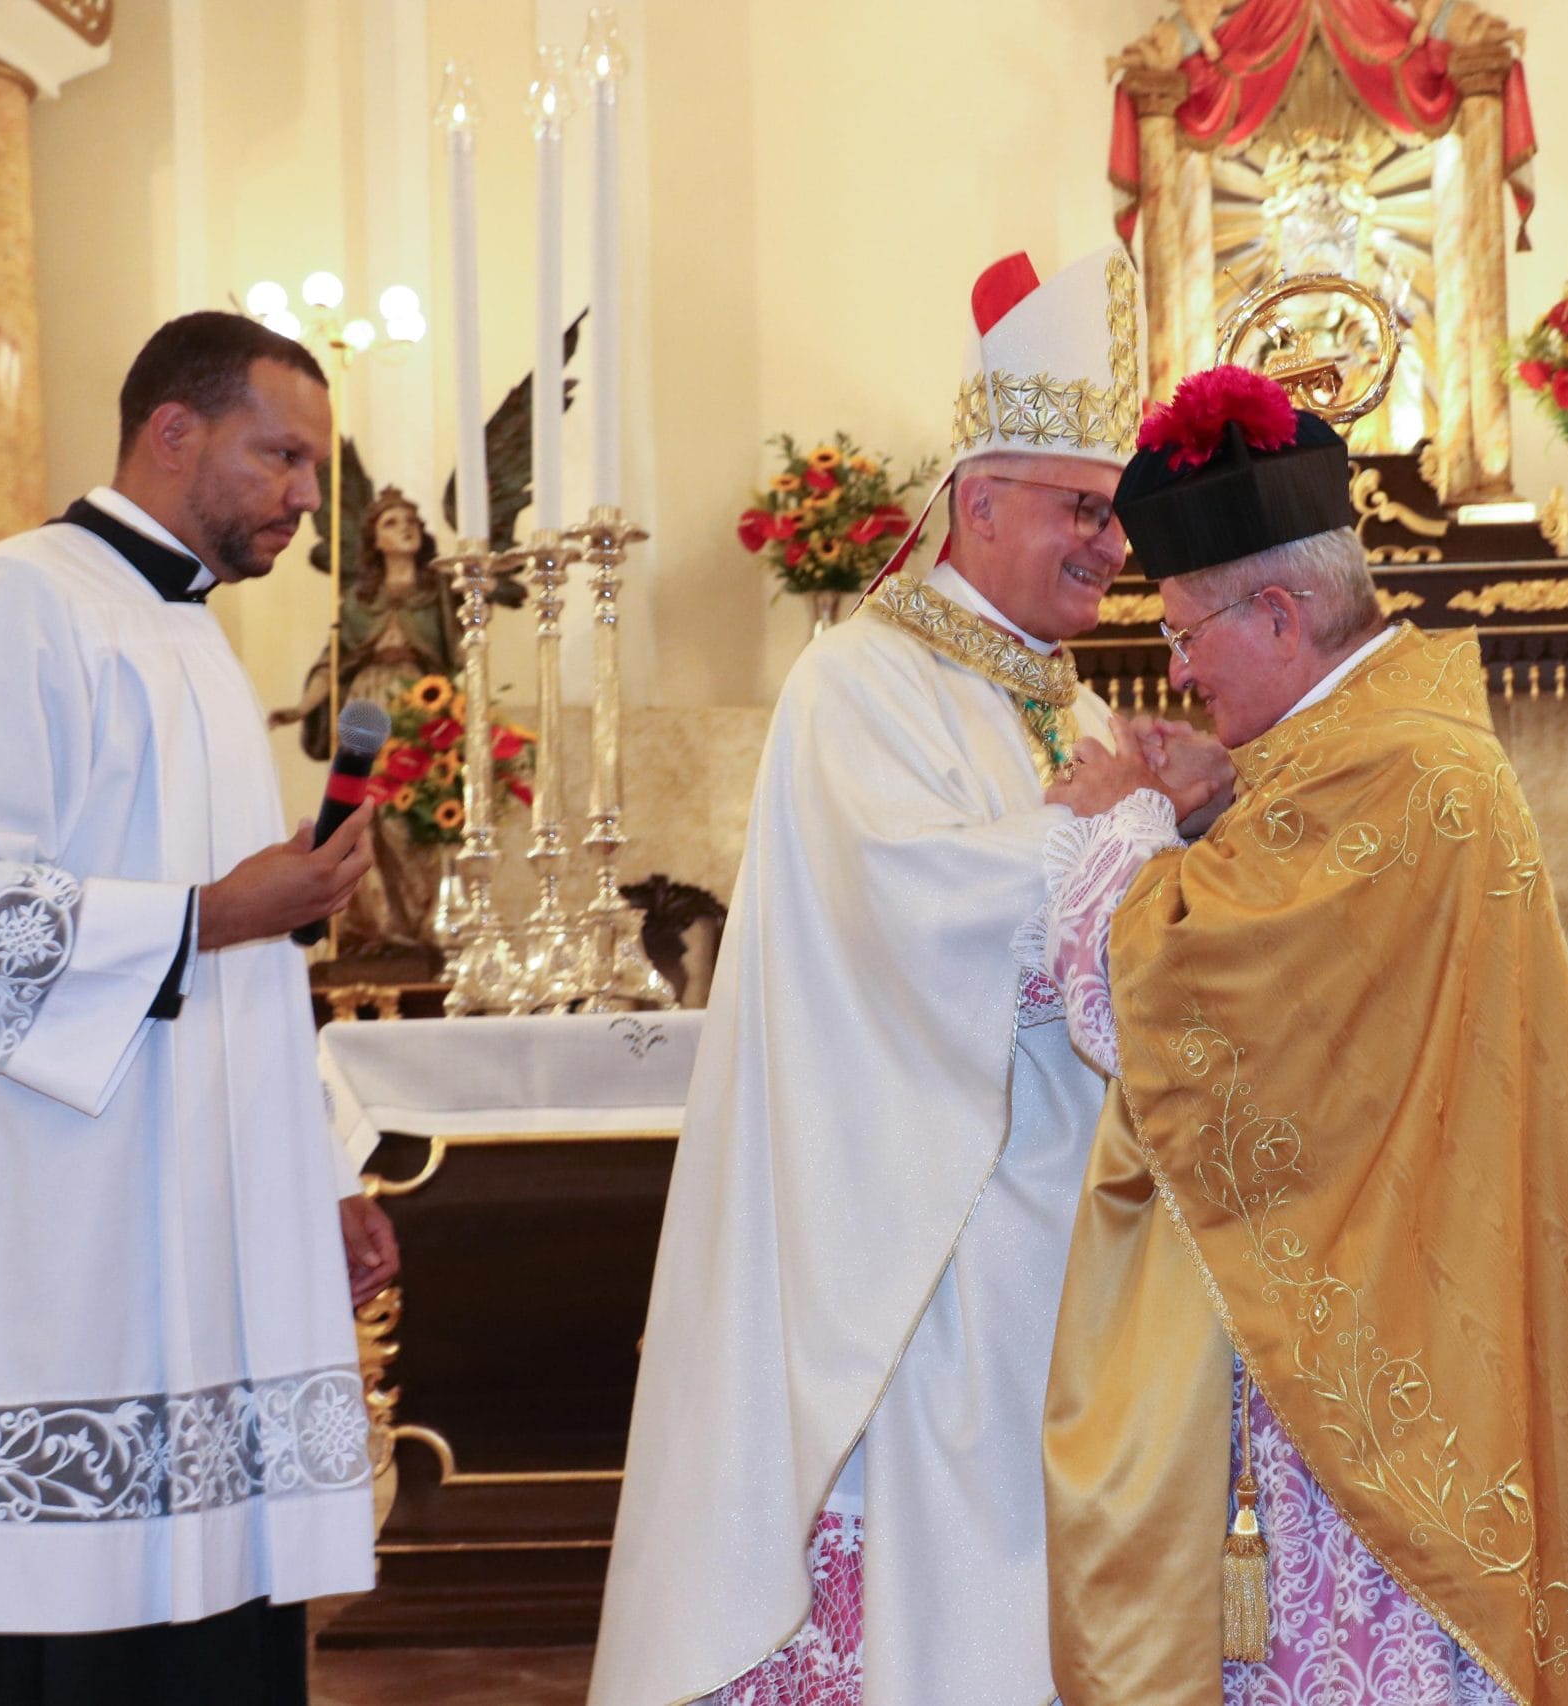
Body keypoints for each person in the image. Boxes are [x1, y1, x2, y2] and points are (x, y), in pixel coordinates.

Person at [591, 246, 1207, 1706]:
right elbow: (906, 912)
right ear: (975, 502)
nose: (1113, 547)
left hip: (1062, 1217)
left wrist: (1189, 821)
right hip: (927, 1230)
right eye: (1082, 510)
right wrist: (1115, 824)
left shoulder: (1068, 696)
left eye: (1117, 518)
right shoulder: (857, 682)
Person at [1030, 366, 1568, 1705]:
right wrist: (1211, 810)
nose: (1171, 666)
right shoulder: (1370, 745)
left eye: (1180, 630)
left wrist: (1115, 824)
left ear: (1276, 611)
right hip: (1398, 1300)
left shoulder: (1396, 770)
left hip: (1384, 1369)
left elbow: (1167, 987)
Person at [0, 309, 399, 1705]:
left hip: (202, 1261)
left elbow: (242, 970)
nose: (306, 494)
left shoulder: (192, 647)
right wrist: (211, 912)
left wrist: (321, 1174)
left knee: (213, 1636)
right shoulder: (17, 609)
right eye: (280, 453)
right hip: (69, 1274)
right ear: (172, 428)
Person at [271, 486, 457, 948]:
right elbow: (331, 663)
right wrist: (303, 707)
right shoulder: (357, 604)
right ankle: (374, 929)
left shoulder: (439, 595)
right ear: (374, 539)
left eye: (410, 519)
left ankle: (421, 928)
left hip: (421, 710)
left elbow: (459, 659)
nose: (405, 527)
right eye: (391, 522)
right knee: (367, 814)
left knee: (415, 818)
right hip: (369, 709)